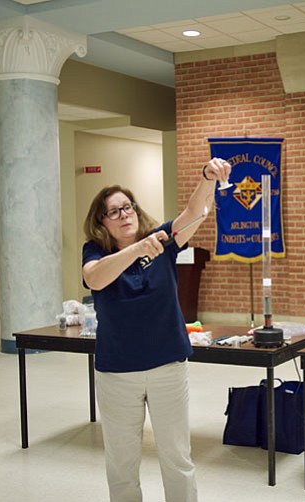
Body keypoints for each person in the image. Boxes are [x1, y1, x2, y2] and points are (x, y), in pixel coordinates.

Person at [82, 158, 231, 502]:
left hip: (167, 367)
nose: (124, 214)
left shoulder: (161, 240)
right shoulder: (97, 252)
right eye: (114, 211)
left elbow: (195, 213)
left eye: (128, 207)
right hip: (118, 373)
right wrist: (136, 250)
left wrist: (208, 177)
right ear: (101, 222)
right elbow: (95, 278)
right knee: (121, 463)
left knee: (177, 458)